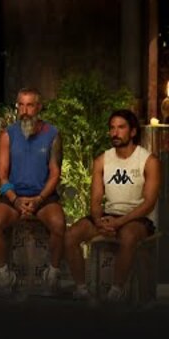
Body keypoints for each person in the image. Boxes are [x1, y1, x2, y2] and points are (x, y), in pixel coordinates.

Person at [64, 109, 161, 301]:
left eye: (121, 127)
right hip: (109, 215)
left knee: (128, 235)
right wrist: (98, 221)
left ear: (133, 132)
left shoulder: (149, 161)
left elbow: (149, 203)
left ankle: (116, 291)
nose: (115, 132)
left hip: (137, 218)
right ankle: (82, 289)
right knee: (71, 235)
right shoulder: (102, 160)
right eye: (112, 128)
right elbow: (95, 200)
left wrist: (120, 222)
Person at [0, 88, 66, 291]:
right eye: (21, 105)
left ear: (38, 107)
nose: (24, 111)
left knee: (59, 224)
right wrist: (15, 199)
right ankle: (4, 275)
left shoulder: (53, 134)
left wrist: (39, 199)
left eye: (29, 105)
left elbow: (55, 174)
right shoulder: (8, 134)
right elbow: (2, 174)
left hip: (43, 197)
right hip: (14, 196)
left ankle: (53, 273)